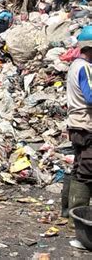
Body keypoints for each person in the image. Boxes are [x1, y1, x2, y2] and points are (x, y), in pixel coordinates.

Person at [64, 46, 92, 222]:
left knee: (78, 166)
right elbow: (90, 97)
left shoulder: (74, 65)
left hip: (75, 124)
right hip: (86, 124)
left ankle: (67, 211)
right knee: (87, 170)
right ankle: (78, 220)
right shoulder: (85, 67)